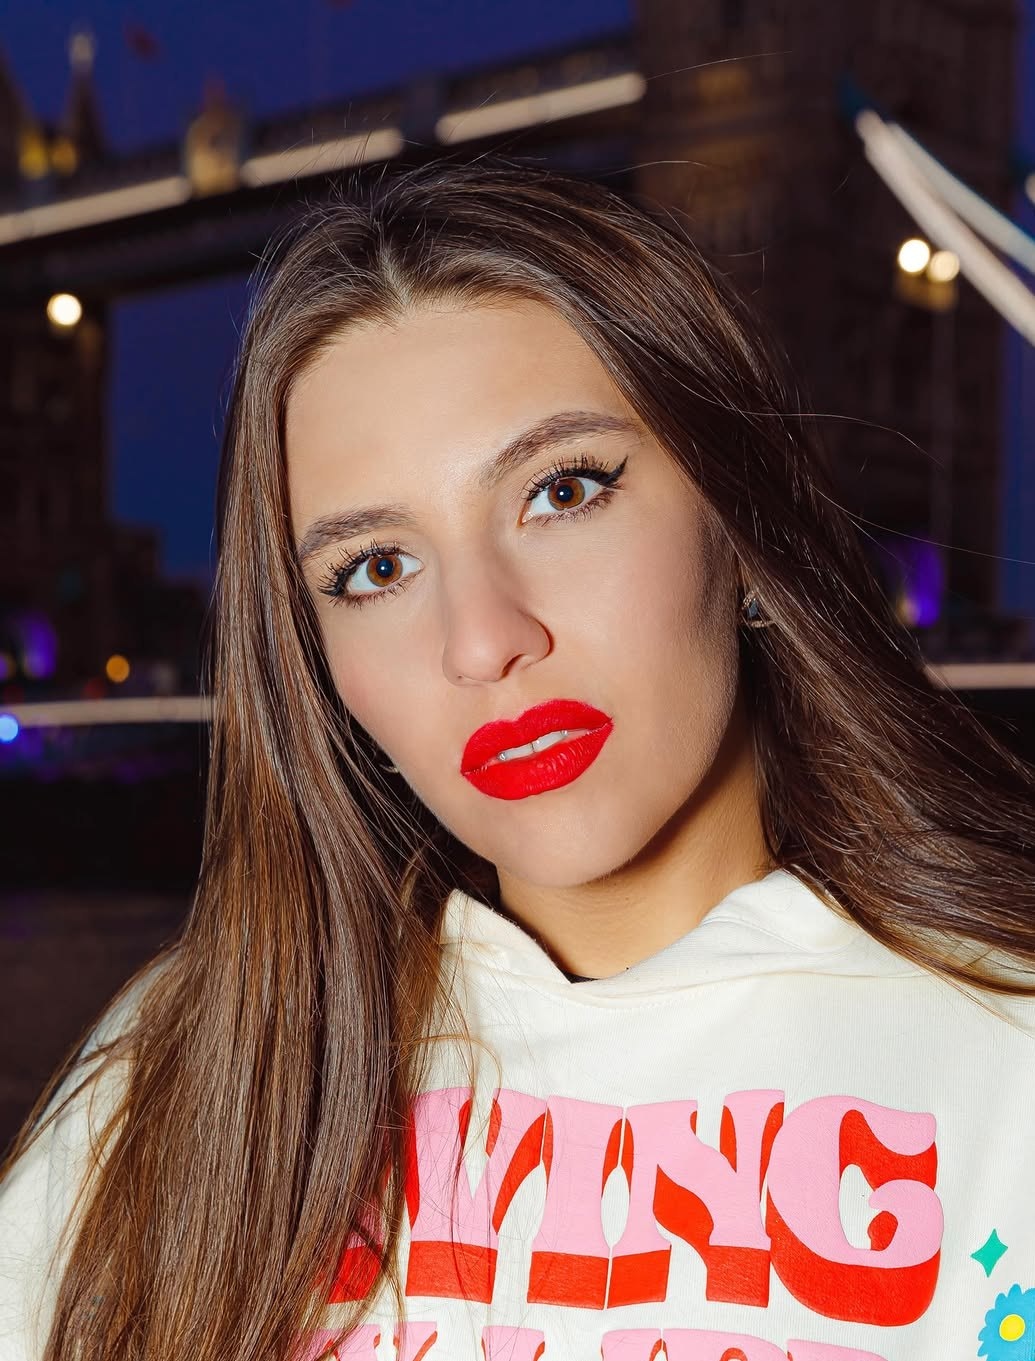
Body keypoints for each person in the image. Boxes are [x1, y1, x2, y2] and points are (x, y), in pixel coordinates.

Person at [2, 156, 1035, 1361]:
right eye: (377, 567)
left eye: (563, 490)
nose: (483, 639)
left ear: (741, 520)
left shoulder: (1001, 1058)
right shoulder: (196, 1072)